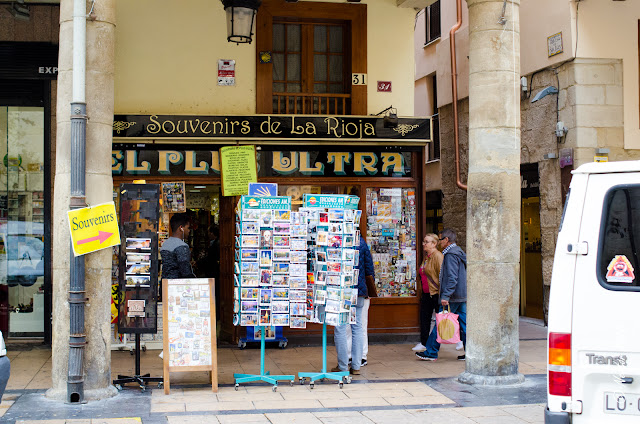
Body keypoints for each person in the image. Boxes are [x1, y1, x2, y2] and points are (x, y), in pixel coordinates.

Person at [416, 228, 467, 361]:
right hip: (461, 294)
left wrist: (446, 296)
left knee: (440, 322)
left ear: (446, 240)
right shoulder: (459, 252)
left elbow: (452, 277)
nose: (439, 243)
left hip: (453, 296)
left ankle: (431, 351)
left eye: (440, 240)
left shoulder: (450, 255)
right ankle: (472, 352)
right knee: (465, 324)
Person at [332, 235, 374, 375]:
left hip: (343, 291)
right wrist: (369, 288)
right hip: (360, 291)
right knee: (357, 328)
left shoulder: (337, 240)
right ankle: (356, 366)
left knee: (340, 328)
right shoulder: (361, 242)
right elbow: (369, 267)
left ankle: (343, 365)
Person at [412, 233, 443, 352]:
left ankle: (457, 340)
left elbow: (442, 276)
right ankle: (424, 342)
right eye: (424, 241)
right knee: (424, 318)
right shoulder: (427, 257)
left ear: (434, 244)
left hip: (435, 293)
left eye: (426, 242)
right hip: (426, 293)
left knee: (441, 319)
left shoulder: (437, 256)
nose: (424, 244)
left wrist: (443, 294)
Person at [160, 213, 195, 279]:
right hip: (177, 285)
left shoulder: (165, 244)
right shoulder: (182, 246)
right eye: (188, 228)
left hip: (165, 284)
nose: (189, 231)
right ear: (181, 228)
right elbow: (185, 271)